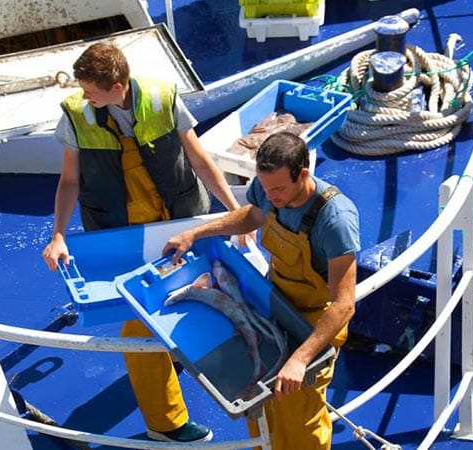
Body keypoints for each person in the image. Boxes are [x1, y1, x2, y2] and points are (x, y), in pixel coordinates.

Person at [42, 41, 244, 443]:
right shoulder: (76, 115)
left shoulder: (163, 98)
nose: (85, 98)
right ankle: (165, 424)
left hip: (178, 227)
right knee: (139, 335)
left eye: (92, 91)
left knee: (197, 297)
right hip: (125, 239)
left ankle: (178, 354)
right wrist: (58, 234)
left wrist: (233, 213)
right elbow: (69, 181)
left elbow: (200, 159)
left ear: (117, 87)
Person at [162, 131, 360, 449]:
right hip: (275, 304)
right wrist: (194, 234)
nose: (271, 196)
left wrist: (300, 359)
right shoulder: (270, 190)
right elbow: (253, 215)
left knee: (300, 421)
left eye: (279, 189)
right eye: (266, 188)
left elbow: (344, 303)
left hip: (313, 321)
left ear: (304, 175)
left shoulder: (335, 220)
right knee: (261, 407)